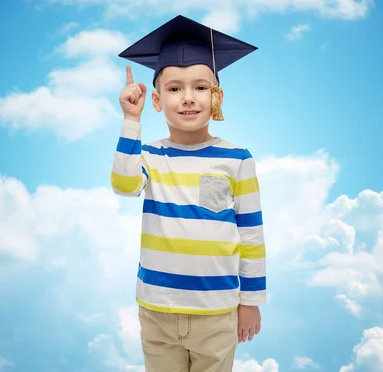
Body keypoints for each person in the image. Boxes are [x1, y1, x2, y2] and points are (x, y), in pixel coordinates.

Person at [110, 14, 267, 372]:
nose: (188, 98)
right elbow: (123, 185)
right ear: (156, 100)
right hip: (157, 308)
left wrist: (251, 301)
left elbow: (251, 234)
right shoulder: (149, 155)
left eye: (200, 87)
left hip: (216, 311)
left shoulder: (236, 159)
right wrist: (130, 121)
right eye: (174, 88)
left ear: (216, 97)